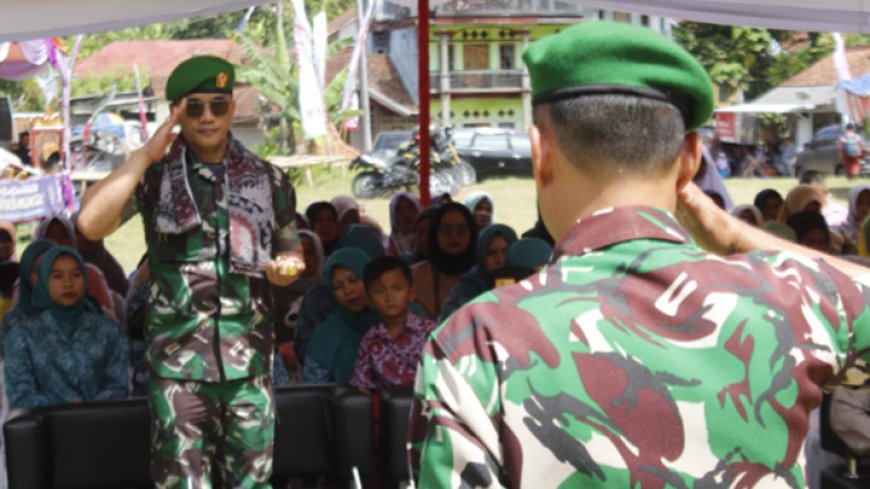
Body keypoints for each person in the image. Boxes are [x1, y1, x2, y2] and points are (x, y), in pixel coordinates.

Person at [409, 21, 870, 487]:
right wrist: (736, 238)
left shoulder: (475, 344)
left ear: (540, 153)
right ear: (691, 158)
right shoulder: (794, 299)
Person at [76, 55, 305, 488]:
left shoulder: (267, 178)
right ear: (176, 112)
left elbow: (291, 251)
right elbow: (89, 224)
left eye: (218, 105)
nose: (206, 117)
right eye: (193, 106)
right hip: (180, 368)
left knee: (253, 484)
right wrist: (146, 153)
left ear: (232, 108)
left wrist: (286, 269)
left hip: (248, 366)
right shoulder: (154, 178)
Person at [4, 246, 128, 409]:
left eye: (76, 275)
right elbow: (20, 394)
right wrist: (65, 411)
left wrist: (86, 409)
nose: (68, 283)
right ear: (43, 282)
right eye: (57, 276)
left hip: (101, 425)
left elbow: (119, 386)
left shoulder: (108, 331)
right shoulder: (22, 336)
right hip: (45, 430)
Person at [350, 256, 435, 393]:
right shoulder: (370, 340)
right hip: (388, 410)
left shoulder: (430, 333)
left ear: (411, 292)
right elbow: (362, 386)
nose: (389, 297)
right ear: (369, 299)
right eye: (380, 291)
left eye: (397, 289)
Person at [302, 248, 377, 384]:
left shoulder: (400, 319)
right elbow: (314, 393)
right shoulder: (326, 335)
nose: (348, 290)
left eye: (353, 280)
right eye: (337, 286)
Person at [410, 203, 477, 319]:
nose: (454, 236)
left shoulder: (483, 274)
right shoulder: (413, 276)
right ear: (435, 234)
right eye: (446, 230)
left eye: (461, 229)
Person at [439, 223, 517, 321]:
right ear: (481, 257)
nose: (500, 259)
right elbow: (448, 328)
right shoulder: (465, 291)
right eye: (491, 253)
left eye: (505, 251)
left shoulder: (526, 285)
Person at [386, 191, 422, 257]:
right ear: (393, 217)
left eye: (411, 208)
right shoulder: (388, 246)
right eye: (399, 210)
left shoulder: (427, 241)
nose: (406, 215)